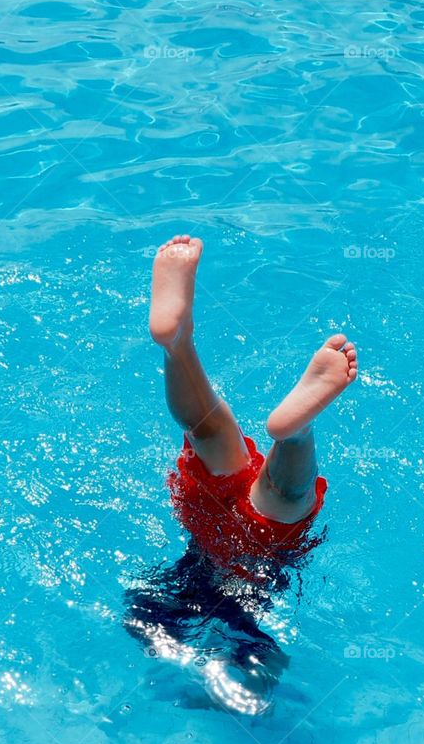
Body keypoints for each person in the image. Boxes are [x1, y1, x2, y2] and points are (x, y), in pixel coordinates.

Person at [148, 234, 357, 575]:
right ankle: (177, 344)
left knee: (285, 496)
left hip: (252, 553)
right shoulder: (158, 604)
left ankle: (296, 434)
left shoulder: (215, 621)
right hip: (204, 515)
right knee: (206, 429)